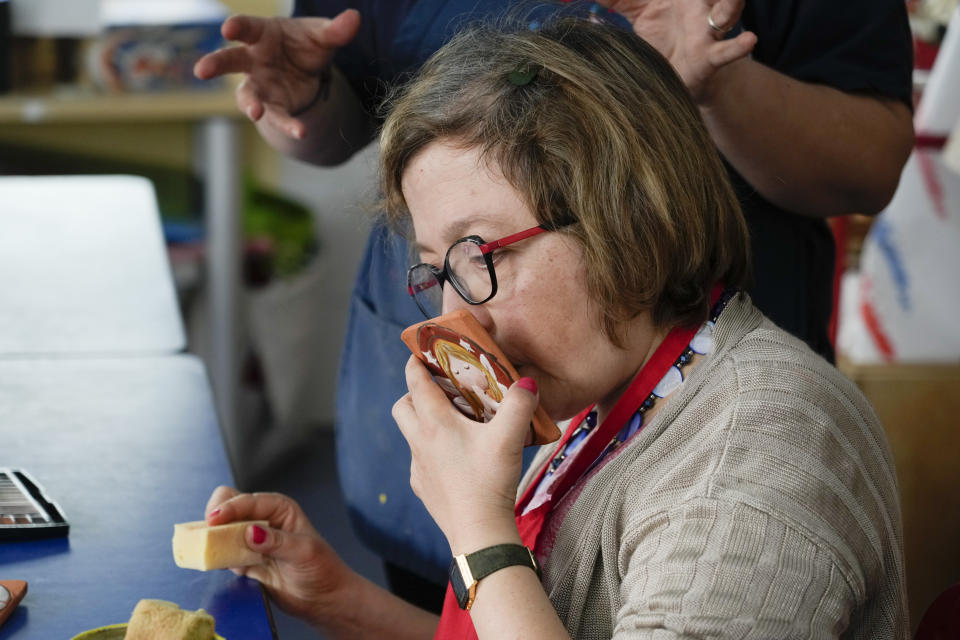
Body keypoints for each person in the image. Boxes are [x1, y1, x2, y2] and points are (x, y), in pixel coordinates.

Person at [203, 18, 907, 638]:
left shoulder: (759, 461)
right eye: (436, 270)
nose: (457, 319)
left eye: (480, 254)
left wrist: (476, 528)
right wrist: (338, 600)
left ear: (627, 219)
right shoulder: (598, 383)